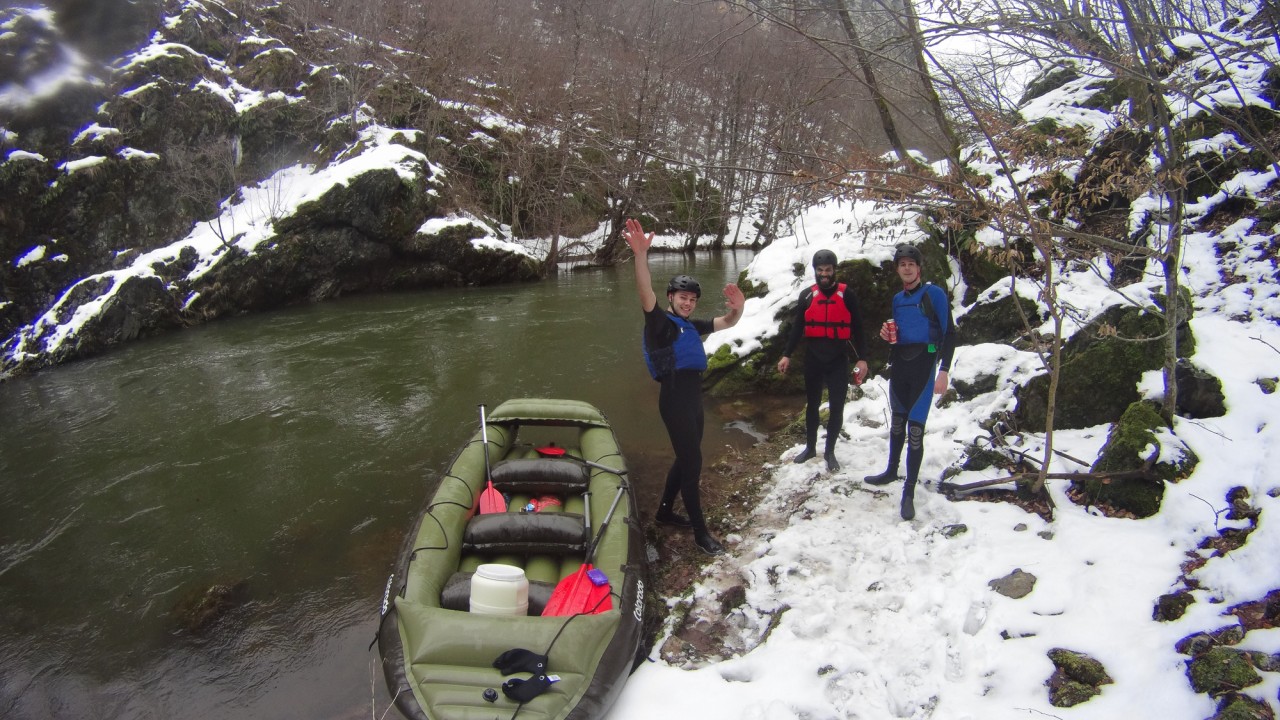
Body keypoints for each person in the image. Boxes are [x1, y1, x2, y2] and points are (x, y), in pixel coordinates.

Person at [623, 217, 744, 556]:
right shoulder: (661, 324)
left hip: (693, 400)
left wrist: (740, 308)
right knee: (692, 464)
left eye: (692, 299)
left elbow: (727, 321)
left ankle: (664, 512)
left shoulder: (690, 325)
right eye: (682, 298)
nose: (688, 303)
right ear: (671, 297)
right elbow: (644, 292)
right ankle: (701, 534)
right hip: (674, 400)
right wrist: (640, 256)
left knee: (686, 457)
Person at [864, 243, 955, 520]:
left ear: (918, 268)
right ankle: (891, 470)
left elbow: (949, 332)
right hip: (901, 365)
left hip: (924, 365)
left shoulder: (934, 294)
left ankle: (909, 491)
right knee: (897, 424)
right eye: (902, 265)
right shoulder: (897, 299)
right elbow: (898, 334)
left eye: (911, 264)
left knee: (915, 431)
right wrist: (887, 336)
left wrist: (944, 370)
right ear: (897, 269)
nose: (906, 268)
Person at [776, 249, 869, 472]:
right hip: (814, 358)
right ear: (815, 271)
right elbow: (797, 328)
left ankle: (830, 452)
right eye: (820, 270)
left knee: (836, 406)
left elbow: (858, 328)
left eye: (828, 270)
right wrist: (787, 354)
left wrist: (863, 359)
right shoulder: (807, 296)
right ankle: (810, 448)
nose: (824, 274)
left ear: (834, 270)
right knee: (813, 405)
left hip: (838, 359)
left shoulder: (847, 295)